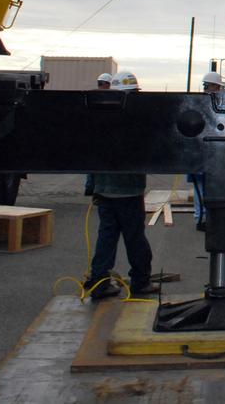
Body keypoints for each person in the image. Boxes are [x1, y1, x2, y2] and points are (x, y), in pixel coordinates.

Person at [83, 71, 159, 299]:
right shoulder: (136, 122)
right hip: (128, 191)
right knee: (135, 238)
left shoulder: (101, 119)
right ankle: (140, 281)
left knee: (106, 237)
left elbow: (91, 156)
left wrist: (92, 186)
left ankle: (99, 281)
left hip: (105, 190)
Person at [188, 71, 225, 230]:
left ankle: (204, 217)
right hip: (203, 151)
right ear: (212, 86)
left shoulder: (203, 102)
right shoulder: (205, 103)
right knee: (201, 186)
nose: (218, 89)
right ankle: (201, 218)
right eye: (216, 86)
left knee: (204, 186)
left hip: (207, 151)